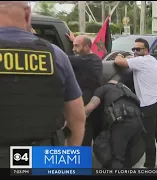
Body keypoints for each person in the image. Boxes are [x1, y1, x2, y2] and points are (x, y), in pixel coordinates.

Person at [0, 1, 86, 167]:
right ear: (27, 14)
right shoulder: (56, 55)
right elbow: (77, 119)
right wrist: (67, 162)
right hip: (43, 158)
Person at [114, 38, 157, 168]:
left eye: (139, 49)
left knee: (148, 137)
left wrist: (120, 54)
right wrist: (131, 56)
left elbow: (118, 61)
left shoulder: (141, 61)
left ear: (147, 50)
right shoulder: (151, 59)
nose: (135, 51)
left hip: (148, 104)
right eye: (134, 49)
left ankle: (149, 165)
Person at [84, 78, 145, 168]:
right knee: (127, 157)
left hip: (122, 123)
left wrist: (74, 119)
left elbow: (90, 107)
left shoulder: (103, 89)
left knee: (117, 159)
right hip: (138, 124)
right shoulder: (128, 91)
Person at [65, 32, 103, 146]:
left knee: (83, 134)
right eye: (73, 45)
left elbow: (60, 57)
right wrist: (75, 40)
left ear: (86, 47)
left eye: (76, 46)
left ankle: (81, 161)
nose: (73, 49)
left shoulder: (83, 61)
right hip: (92, 100)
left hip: (86, 102)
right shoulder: (94, 58)